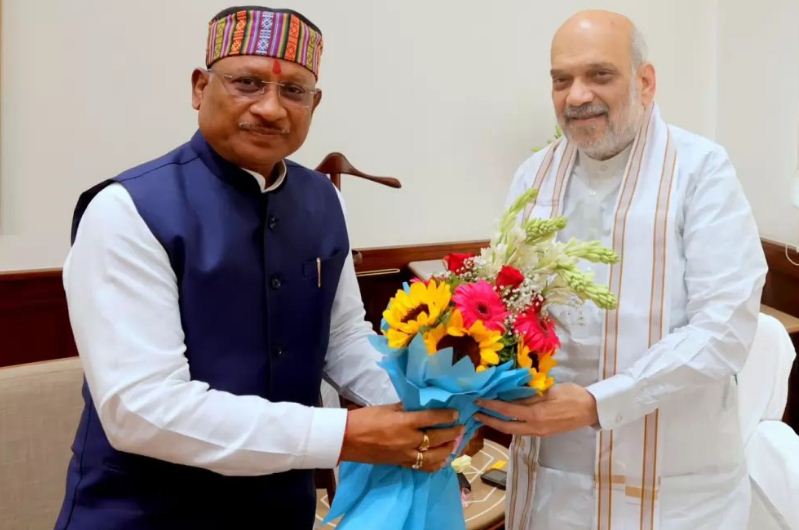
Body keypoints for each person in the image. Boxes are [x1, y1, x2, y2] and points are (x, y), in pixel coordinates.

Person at [55, 6, 462, 530]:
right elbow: (142, 410)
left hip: (280, 509)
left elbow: (342, 339)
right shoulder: (126, 210)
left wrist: (430, 406)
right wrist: (345, 435)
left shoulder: (324, 201)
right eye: (247, 83)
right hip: (145, 513)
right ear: (200, 87)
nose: (270, 108)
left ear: (315, 104)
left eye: (294, 91)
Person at [475, 10, 768, 530]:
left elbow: (724, 330)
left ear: (645, 82)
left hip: (676, 493)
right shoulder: (533, 177)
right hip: (555, 484)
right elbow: (505, 306)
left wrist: (598, 403)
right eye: (561, 80)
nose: (577, 95)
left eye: (599, 74)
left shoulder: (701, 171)